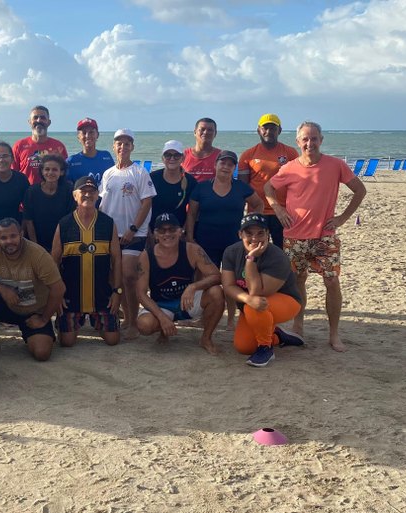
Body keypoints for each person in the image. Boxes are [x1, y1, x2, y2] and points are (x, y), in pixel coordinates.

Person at [264, 121, 367, 352]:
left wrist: (342, 218)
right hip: (294, 236)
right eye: (305, 139)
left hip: (325, 236)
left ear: (321, 140)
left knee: (331, 281)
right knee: (298, 280)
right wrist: (278, 210)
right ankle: (298, 326)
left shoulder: (336, 165)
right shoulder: (289, 167)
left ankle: (334, 334)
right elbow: (268, 188)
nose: (309, 143)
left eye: (314, 138)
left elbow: (360, 190)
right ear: (298, 142)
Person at [0, 218, 65, 361]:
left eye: (13, 236)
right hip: (7, 305)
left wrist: (44, 319)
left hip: (33, 312)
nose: (9, 241)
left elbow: (58, 289)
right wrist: (0, 289)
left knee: (42, 353)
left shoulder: (38, 254)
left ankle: (39, 332)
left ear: (21, 233)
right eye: (4, 238)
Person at [222, 213, 305, 367]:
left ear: (268, 234)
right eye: (249, 233)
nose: (255, 238)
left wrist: (251, 259)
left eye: (260, 233)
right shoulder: (231, 252)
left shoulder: (277, 256)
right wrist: (247, 299)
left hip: (286, 300)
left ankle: (265, 348)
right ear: (240, 234)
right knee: (244, 347)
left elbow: (257, 292)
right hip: (251, 303)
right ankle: (278, 336)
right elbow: (228, 286)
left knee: (255, 304)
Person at [136, 213, 225, 354]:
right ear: (155, 234)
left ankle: (206, 338)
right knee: (144, 325)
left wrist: (194, 286)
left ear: (180, 231)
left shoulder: (192, 250)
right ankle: (163, 331)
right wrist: (161, 317)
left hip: (188, 301)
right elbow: (141, 293)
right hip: (162, 304)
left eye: (172, 229)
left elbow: (217, 276)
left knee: (217, 292)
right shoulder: (146, 256)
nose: (167, 234)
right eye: (162, 230)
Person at [98, 129, 157, 338]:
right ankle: (126, 317)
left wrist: (133, 229)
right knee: (117, 278)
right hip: (112, 235)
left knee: (129, 276)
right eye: (119, 143)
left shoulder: (140, 172)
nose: (123, 147)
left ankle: (133, 321)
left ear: (132, 147)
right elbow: (103, 203)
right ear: (114, 147)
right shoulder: (108, 173)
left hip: (134, 234)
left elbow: (147, 202)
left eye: (127, 143)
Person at [51, 176, 122, 347]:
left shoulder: (108, 222)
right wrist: (56, 294)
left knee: (113, 340)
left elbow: (117, 259)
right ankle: (67, 322)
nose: (88, 195)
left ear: (98, 195)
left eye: (92, 191)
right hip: (72, 296)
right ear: (75, 195)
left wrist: (117, 292)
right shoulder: (64, 223)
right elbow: (53, 261)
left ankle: (96, 321)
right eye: (83, 191)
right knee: (67, 342)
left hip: (102, 295)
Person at [185, 150, 264, 267]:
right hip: (206, 243)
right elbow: (191, 214)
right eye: (223, 163)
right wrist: (190, 238)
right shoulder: (201, 188)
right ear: (215, 165)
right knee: (209, 280)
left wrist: (250, 223)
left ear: (234, 168)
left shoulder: (242, 187)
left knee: (234, 280)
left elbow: (259, 204)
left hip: (234, 242)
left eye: (230, 164)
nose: (226, 167)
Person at [237, 113, 299, 246]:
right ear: (258, 130)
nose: (269, 131)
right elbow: (242, 188)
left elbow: (297, 184)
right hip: (257, 211)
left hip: (283, 213)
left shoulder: (290, 153)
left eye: (273, 128)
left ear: (279, 130)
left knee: (283, 251)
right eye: (265, 128)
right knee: (256, 250)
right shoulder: (248, 155)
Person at [23, 154, 75, 252]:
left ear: (62, 172)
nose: (50, 172)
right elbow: (29, 221)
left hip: (62, 243)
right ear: (42, 171)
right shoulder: (32, 192)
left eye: (55, 169)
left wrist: (62, 246)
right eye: (47, 169)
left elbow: (70, 220)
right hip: (37, 244)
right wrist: (36, 247)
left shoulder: (68, 191)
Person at [11, 105, 68, 185]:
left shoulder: (59, 146)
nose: (39, 120)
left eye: (43, 118)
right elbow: (13, 174)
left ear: (49, 122)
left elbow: (64, 173)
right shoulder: (19, 146)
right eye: (35, 117)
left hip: (52, 193)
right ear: (29, 122)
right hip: (26, 193)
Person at [149, 140, 197, 231]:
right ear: (163, 158)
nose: (172, 158)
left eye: (176, 155)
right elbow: (144, 207)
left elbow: (193, 213)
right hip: (155, 232)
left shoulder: (191, 182)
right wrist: (148, 234)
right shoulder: (152, 178)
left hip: (178, 232)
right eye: (168, 155)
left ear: (182, 158)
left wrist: (184, 231)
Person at [65, 117, 115, 184]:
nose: (87, 136)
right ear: (78, 137)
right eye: (84, 132)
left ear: (97, 135)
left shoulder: (106, 156)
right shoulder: (71, 161)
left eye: (91, 132)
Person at [182, 118, 221, 183]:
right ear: (195, 132)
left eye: (210, 130)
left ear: (215, 133)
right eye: (202, 129)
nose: (205, 132)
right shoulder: (183, 155)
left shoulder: (221, 156)